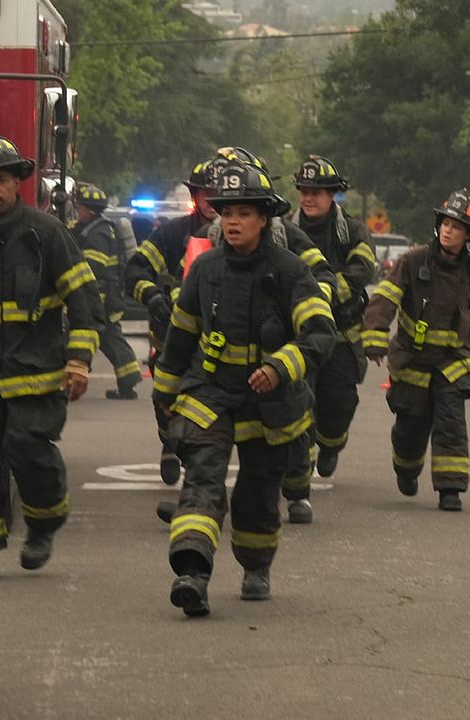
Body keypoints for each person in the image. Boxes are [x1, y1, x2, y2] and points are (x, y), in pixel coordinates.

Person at [152, 161, 337, 615]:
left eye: (244, 213)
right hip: (211, 393)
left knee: (257, 495)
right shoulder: (204, 269)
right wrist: (165, 396)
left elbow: (319, 332)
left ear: (264, 219)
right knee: (202, 480)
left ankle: (255, 565)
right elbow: (180, 338)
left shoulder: (290, 271)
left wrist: (279, 366)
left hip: (269, 404)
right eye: (227, 212)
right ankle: (192, 574)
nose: (232, 222)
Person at [0, 133, 105, 580]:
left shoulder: (46, 234)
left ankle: (44, 520)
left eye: (0, 179)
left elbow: (84, 299)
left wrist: (79, 361)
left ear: (16, 182)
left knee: (28, 449)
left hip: (35, 376)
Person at [361, 188, 470, 511]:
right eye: (446, 223)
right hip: (413, 362)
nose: (448, 230)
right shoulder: (413, 262)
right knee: (410, 429)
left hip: (452, 365)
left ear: (469, 235)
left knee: (451, 425)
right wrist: (375, 336)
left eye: (457, 226)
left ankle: (450, 490)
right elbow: (385, 298)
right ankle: (406, 468)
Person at [124, 156, 219, 485]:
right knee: (167, 396)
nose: (212, 200)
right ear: (194, 196)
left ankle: (196, 465)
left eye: (218, 193)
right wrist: (152, 296)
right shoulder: (172, 233)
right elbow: (135, 270)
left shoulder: (237, 233)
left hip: (216, 338)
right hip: (171, 334)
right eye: (205, 193)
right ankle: (169, 441)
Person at [291, 154, 376, 480]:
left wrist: (321, 295)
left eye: (316, 192)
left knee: (339, 403)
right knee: (300, 400)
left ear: (332, 194)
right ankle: (302, 466)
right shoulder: (285, 229)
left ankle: (330, 445)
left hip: (341, 337)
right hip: (299, 335)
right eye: (304, 191)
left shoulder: (352, 230)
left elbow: (362, 269)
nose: (308, 198)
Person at [73, 182, 143, 399]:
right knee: (110, 338)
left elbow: (93, 268)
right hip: (105, 296)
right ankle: (128, 380)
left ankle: (73, 377)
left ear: (90, 210)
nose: (77, 211)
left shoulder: (98, 233)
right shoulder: (95, 228)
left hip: (101, 297)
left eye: (80, 207)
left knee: (100, 336)